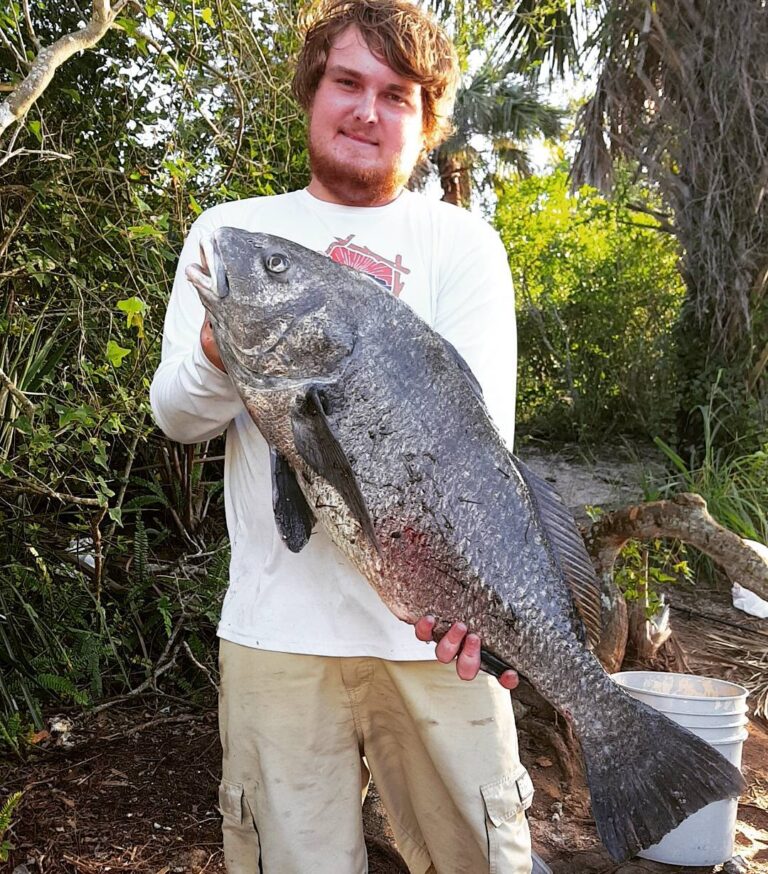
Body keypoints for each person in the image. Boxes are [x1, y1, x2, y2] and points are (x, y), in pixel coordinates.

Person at [150, 0, 533, 871]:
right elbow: (177, 415)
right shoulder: (233, 238)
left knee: (483, 856)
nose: (367, 110)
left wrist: (486, 607)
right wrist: (226, 347)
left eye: (395, 94)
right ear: (311, 91)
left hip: (437, 645)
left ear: (425, 119)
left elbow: (485, 450)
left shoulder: (462, 244)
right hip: (276, 633)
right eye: (347, 82)